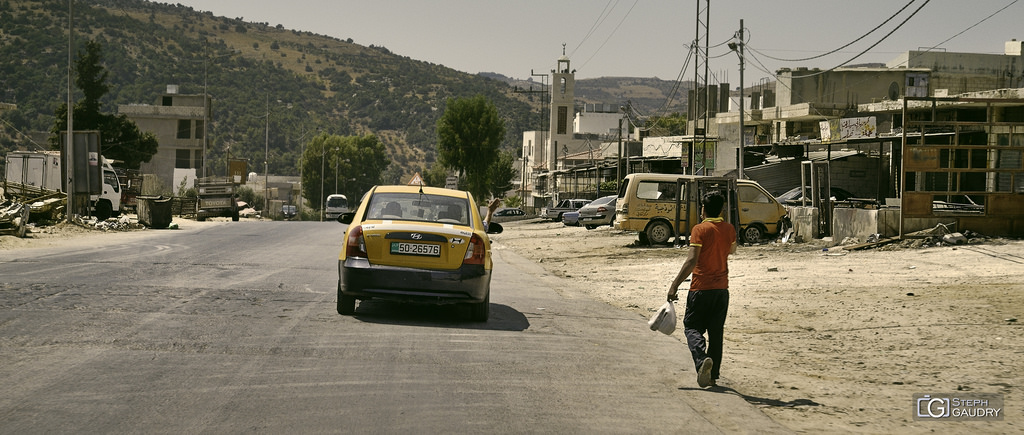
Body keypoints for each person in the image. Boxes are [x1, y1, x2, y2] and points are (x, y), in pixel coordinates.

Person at [666, 191, 736, 388]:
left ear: (703, 210)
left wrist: (674, 285)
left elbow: (691, 260)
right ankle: (712, 376)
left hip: (700, 288)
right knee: (716, 333)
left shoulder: (700, 229)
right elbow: (732, 250)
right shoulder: (729, 229)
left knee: (692, 326)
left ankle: (701, 360)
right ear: (721, 209)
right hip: (722, 289)